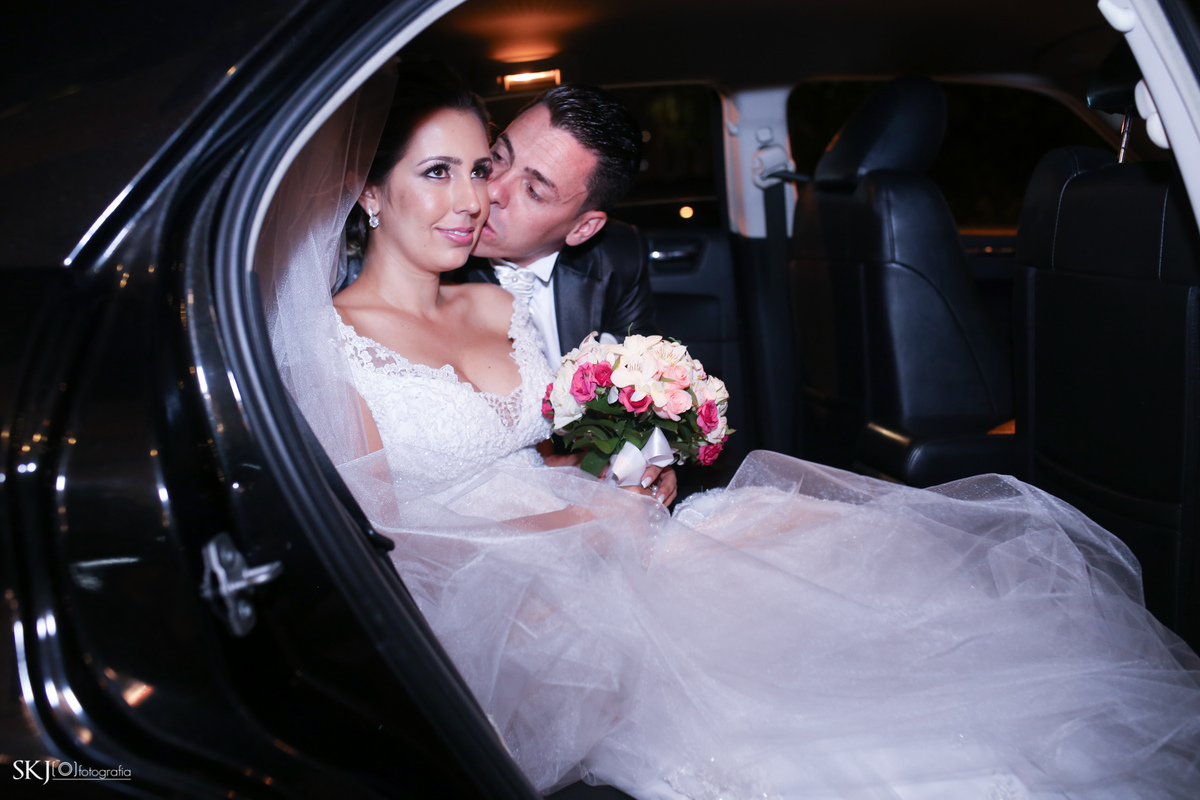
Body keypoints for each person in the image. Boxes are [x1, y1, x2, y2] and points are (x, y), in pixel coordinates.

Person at [265, 63, 1200, 800]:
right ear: (370, 192)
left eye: (482, 169)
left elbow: (544, 446)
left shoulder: (490, 307)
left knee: (868, 583)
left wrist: (626, 482)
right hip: (491, 592)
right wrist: (585, 525)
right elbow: (378, 543)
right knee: (767, 704)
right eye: (445, 171)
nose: (477, 197)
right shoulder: (327, 344)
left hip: (598, 534)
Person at [446, 83, 655, 376]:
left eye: (533, 190)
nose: (492, 190)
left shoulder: (619, 255)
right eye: (498, 157)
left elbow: (643, 380)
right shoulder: (436, 257)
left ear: (584, 228)